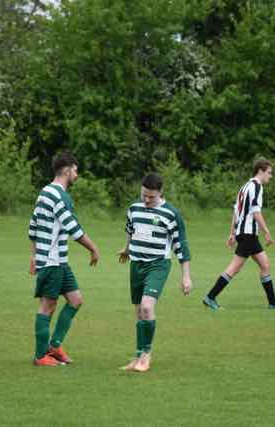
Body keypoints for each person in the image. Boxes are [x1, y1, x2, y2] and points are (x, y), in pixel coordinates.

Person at [28, 152, 100, 367]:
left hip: (58, 261)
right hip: (52, 261)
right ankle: (40, 356)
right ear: (67, 170)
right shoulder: (60, 196)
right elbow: (73, 229)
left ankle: (54, 346)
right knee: (47, 306)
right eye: (75, 171)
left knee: (76, 300)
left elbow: (32, 227)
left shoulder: (44, 193)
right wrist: (93, 248)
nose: (76, 175)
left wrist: (33, 255)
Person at [117, 173, 192, 372]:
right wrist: (126, 249)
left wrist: (186, 276)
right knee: (138, 312)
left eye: (151, 197)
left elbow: (181, 245)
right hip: (136, 264)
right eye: (144, 195)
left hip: (158, 265)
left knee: (147, 307)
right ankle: (137, 356)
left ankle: (146, 356)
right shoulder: (134, 209)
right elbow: (131, 231)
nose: (147, 200)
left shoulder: (171, 214)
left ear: (161, 193)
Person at [202, 158, 275, 311]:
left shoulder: (244, 187)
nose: (270, 176)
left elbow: (236, 211)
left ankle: (273, 303)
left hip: (245, 234)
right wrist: (266, 232)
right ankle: (210, 297)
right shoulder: (257, 187)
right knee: (234, 268)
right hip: (248, 234)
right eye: (269, 173)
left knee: (265, 264)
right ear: (260, 171)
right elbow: (255, 211)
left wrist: (232, 233)